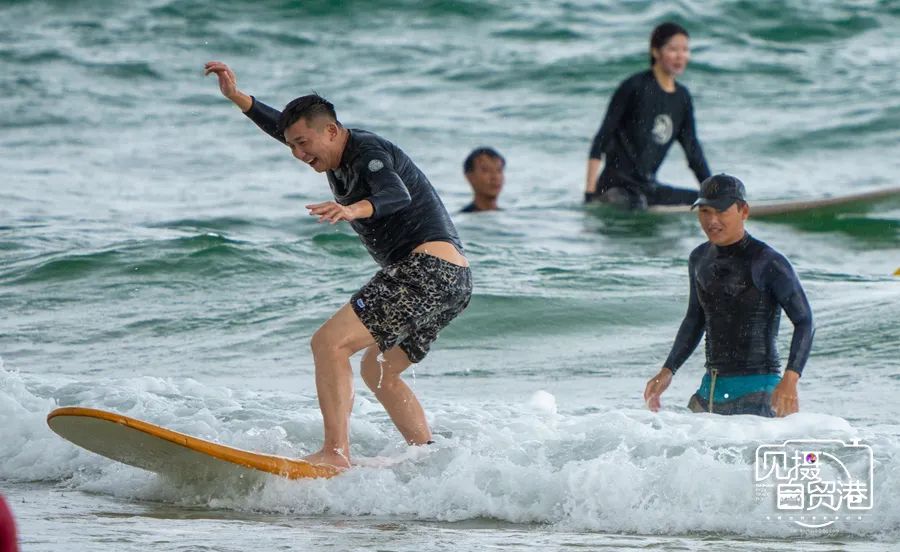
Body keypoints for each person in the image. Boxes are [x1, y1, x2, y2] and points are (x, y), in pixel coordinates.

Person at [204, 61, 473, 469]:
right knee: (379, 370)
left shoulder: (367, 152)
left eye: (303, 143)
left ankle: (335, 454)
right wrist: (240, 99)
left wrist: (353, 211)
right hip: (454, 281)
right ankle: (427, 461)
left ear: (331, 130)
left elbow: (395, 194)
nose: (298, 154)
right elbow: (286, 125)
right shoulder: (329, 147)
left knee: (328, 344)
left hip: (427, 270)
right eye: (292, 145)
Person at [643, 174, 814, 417]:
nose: (712, 220)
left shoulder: (768, 261)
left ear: (743, 211)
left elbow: (805, 321)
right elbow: (695, 318)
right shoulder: (699, 258)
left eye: (721, 211)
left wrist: (790, 379)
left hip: (758, 391)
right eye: (705, 211)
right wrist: (668, 370)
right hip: (710, 390)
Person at [584, 22, 711, 210]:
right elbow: (602, 138)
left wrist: (713, 193)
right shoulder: (634, 87)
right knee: (636, 202)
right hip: (616, 185)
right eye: (673, 49)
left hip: (646, 186)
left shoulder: (682, 98)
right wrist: (589, 194)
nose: (680, 56)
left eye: (685, 50)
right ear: (655, 52)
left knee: (697, 200)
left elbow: (693, 150)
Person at [460, 147, 505, 213]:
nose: (495, 177)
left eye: (499, 170)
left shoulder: (509, 216)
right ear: (469, 176)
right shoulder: (460, 218)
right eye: (486, 170)